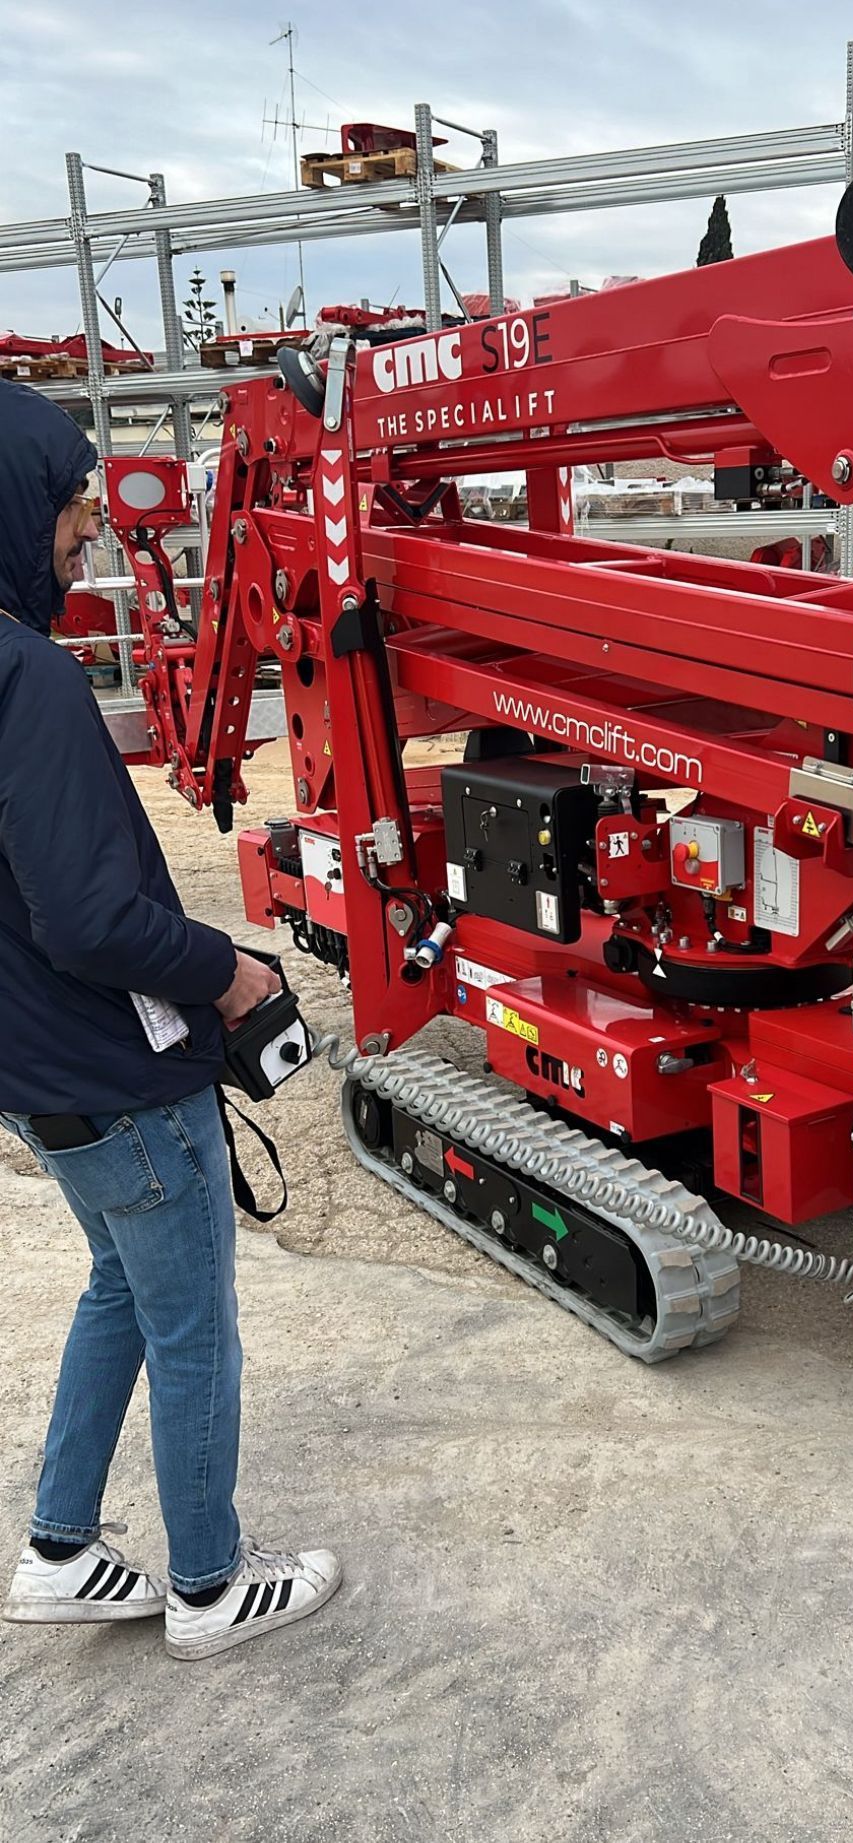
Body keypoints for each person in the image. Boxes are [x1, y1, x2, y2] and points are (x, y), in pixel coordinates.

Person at [0, 380, 340, 1660]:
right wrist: (229, 973)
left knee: (118, 1289)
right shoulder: (26, 676)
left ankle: (61, 1549)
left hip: (39, 1072)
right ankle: (208, 1581)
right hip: (119, 1071)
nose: (88, 530)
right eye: (72, 503)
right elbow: (89, 919)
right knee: (191, 1317)